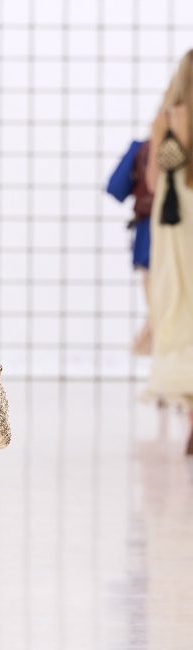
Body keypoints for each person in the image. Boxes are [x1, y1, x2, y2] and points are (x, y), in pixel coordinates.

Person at [143, 49, 193, 454]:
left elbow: (152, 181)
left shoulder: (166, 118)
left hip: (173, 219)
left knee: (176, 302)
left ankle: (190, 410)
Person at [105, 137, 153, 354]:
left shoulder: (144, 148)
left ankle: (145, 351)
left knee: (159, 307)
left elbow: (116, 188)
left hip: (148, 237)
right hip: (160, 236)